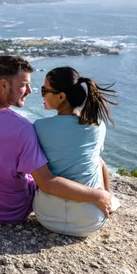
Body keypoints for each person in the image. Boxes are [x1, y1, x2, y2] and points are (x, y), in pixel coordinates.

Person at [0, 55, 112, 224]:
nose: (30, 90)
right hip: (11, 212)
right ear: (3, 85)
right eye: (24, 85)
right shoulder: (22, 128)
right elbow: (46, 182)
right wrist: (100, 195)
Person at [33, 66, 118, 237]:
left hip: (47, 216)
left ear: (61, 96)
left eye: (44, 90)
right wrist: (105, 194)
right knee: (97, 159)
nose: (42, 94)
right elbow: (98, 162)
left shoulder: (38, 127)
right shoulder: (98, 126)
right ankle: (109, 199)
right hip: (91, 220)